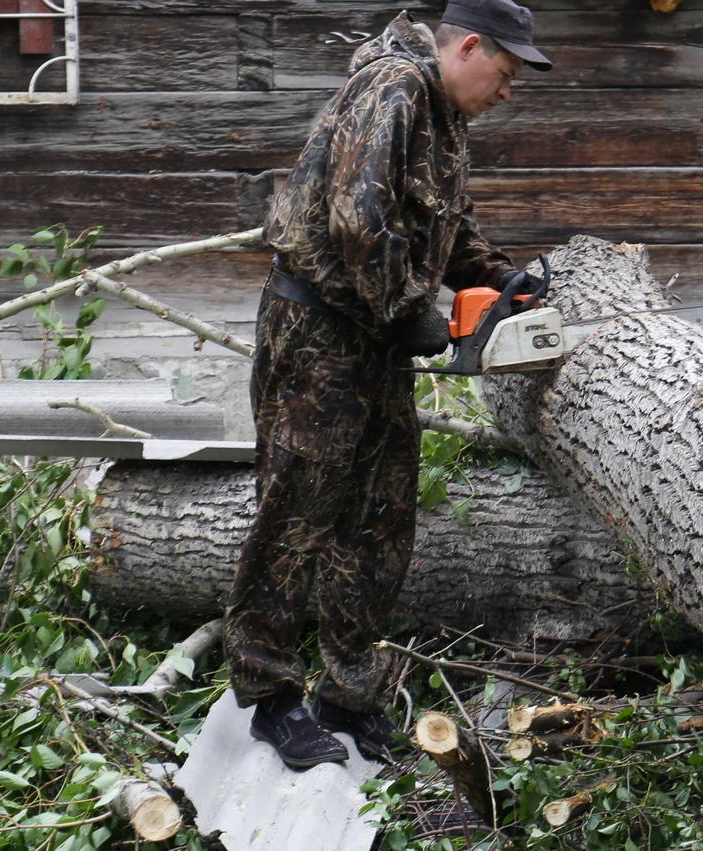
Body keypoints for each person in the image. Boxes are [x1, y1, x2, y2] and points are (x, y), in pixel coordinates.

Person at [227, 0, 551, 770]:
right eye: (504, 72)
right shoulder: (394, 90)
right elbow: (358, 216)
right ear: (468, 47)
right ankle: (270, 695)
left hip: (375, 335)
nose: (507, 91)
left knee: (380, 517)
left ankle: (347, 693)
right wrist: (411, 309)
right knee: (297, 509)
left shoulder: (444, 117)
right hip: (320, 333)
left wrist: (505, 282)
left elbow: (448, 225)